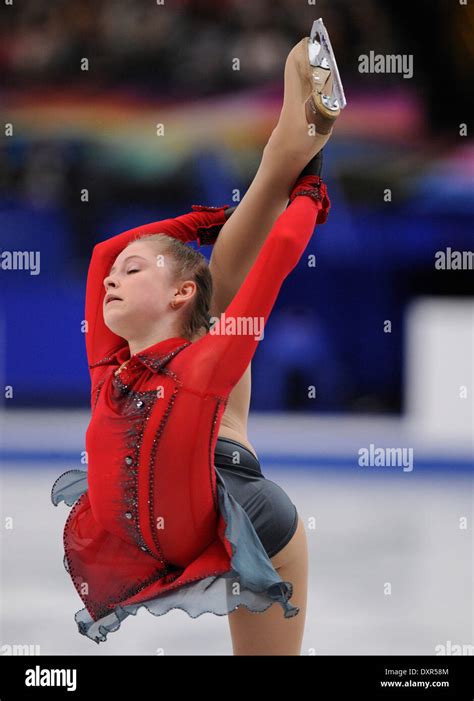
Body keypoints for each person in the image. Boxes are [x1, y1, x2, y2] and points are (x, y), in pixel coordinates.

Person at [51, 29, 342, 655]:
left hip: (245, 507)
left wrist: (308, 199)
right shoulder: (112, 363)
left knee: (224, 304)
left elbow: (276, 264)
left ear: (176, 292)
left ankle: (288, 155)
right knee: (218, 299)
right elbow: (105, 251)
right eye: (113, 278)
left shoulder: (206, 358)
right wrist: (202, 223)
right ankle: (285, 151)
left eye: (133, 273)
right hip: (186, 492)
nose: (110, 280)